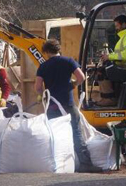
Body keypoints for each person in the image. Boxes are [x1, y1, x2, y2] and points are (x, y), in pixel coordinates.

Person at [35, 39, 99, 172]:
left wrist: (44, 96)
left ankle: (56, 165)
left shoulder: (43, 66)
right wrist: (73, 85)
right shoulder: (68, 61)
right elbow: (81, 77)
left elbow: (38, 87)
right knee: (76, 133)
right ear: (58, 49)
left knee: (53, 134)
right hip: (68, 104)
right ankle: (85, 164)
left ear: (46, 52)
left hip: (52, 105)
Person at [96, 15, 126, 106]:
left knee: (102, 72)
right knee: (106, 68)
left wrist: (110, 57)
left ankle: (109, 99)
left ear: (123, 24)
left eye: (117, 26)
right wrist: (109, 56)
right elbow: (122, 53)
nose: (116, 28)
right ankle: (109, 98)